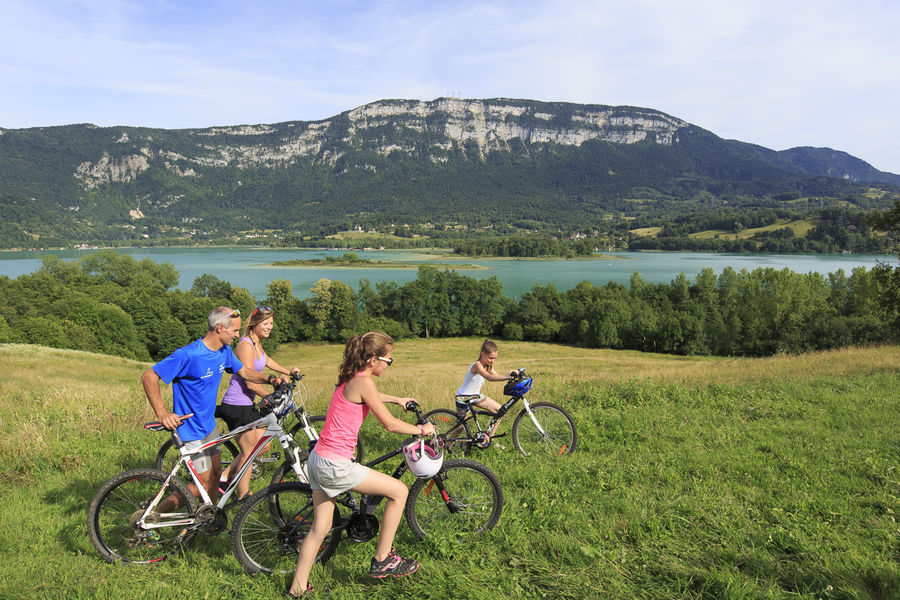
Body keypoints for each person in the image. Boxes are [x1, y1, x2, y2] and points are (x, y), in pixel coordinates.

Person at [287, 331, 435, 598]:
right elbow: (389, 424)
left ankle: (297, 589)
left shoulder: (350, 378)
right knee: (399, 491)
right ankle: (383, 560)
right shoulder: (363, 383)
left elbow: (370, 395)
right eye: (388, 360)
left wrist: (397, 399)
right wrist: (421, 429)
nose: (389, 365)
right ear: (373, 359)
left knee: (319, 529)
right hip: (336, 465)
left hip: (318, 460)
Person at [140, 306, 283, 513]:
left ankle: (209, 518)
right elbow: (149, 376)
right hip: (190, 429)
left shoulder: (223, 352)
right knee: (203, 484)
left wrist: (270, 379)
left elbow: (244, 372)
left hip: (209, 426)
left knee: (216, 477)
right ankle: (153, 515)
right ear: (219, 329)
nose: (237, 334)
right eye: (234, 330)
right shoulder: (189, 355)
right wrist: (163, 414)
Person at [217, 306, 299, 499]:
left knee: (264, 445)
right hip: (237, 405)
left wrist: (288, 372)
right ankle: (243, 495)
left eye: (271, 323)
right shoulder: (245, 345)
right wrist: (268, 395)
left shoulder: (257, 344)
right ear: (254, 324)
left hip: (245, 405)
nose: (270, 326)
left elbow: (267, 360)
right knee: (250, 451)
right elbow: (249, 382)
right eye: (265, 323)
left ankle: (226, 475)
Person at [454, 339, 517, 438]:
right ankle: (447, 445)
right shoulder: (477, 365)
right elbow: (489, 377)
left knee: (500, 411)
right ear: (483, 354)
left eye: (495, 358)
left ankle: (488, 439)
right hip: (464, 397)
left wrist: (511, 374)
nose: (493, 361)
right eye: (491, 358)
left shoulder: (488, 366)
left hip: (475, 396)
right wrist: (508, 377)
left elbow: (497, 376)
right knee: (461, 427)